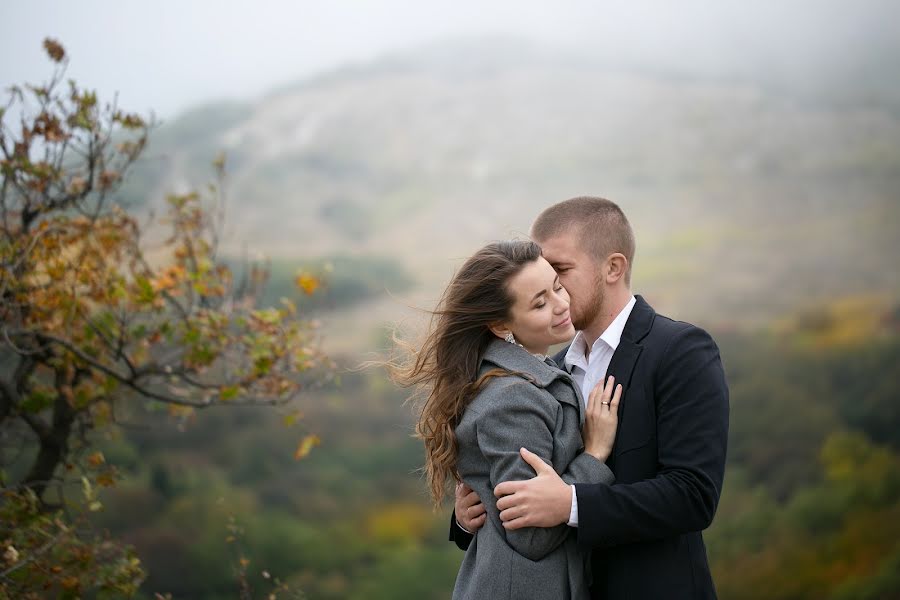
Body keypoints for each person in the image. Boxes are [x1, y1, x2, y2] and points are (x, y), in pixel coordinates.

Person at [451, 197, 730, 599]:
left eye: (560, 272)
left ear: (613, 267)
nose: (554, 290)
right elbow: (522, 497)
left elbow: (693, 495)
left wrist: (571, 503)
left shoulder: (680, 351)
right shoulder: (550, 369)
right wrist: (467, 517)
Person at [389, 240, 623, 599]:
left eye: (558, 287)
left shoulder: (528, 374)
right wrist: (594, 456)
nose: (561, 305)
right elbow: (531, 535)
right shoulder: (513, 398)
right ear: (501, 324)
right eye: (540, 303)